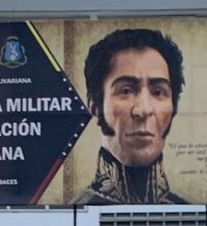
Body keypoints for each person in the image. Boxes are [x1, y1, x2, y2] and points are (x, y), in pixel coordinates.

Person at [74, 27, 187, 206]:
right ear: (95, 106)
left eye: (158, 92)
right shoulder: (72, 213)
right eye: (126, 91)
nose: (142, 110)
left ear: (173, 107)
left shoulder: (188, 213)